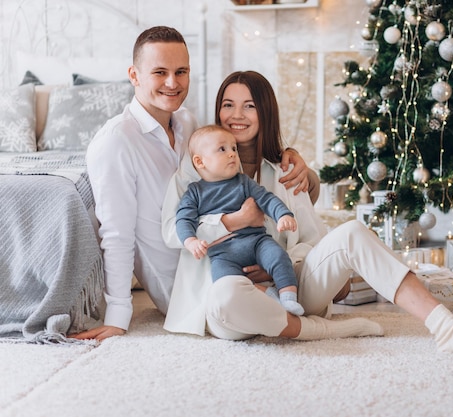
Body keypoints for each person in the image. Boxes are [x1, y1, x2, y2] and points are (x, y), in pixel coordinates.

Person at [161, 70, 453, 359]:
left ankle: (446, 327)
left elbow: (313, 241)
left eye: (249, 105)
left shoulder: (286, 172)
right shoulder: (194, 170)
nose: (237, 115)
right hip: (231, 300)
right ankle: (318, 331)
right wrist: (232, 222)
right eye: (228, 104)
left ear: (265, 112)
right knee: (225, 296)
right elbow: (172, 231)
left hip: (288, 291)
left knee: (351, 232)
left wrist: (280, 266)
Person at [72, 27, 313, 342]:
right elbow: (117, 235)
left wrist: (290, 157)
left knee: (302, 267)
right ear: (134, 75)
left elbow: (232, 166)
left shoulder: (186, 123)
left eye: (181, 71)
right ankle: (315, 328)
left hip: (231, 260)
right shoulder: (115, 143)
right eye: (160, 72)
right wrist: (118, 315)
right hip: (187, 292)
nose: (172, 83)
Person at [176, 124, 304, 315]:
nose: (232, 154)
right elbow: (183, 219)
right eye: (222, 149)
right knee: (226, 284)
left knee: (278, 256)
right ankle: (269, 295)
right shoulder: (195, 192)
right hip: (223, 254)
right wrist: (191, 241)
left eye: (234, 148)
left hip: (257, 242)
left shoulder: (244, 182)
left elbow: (267, 199)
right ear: (200, 161)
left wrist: (283, 215)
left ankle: (288, 298)